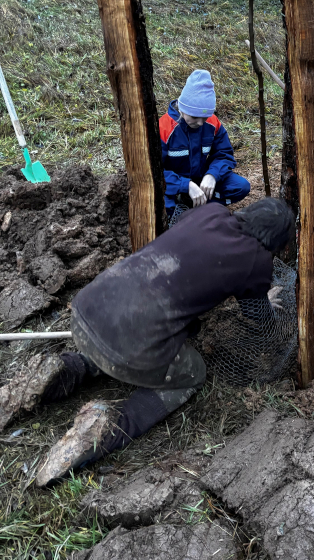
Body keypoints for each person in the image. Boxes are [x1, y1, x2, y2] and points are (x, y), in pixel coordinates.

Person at [0, 198, 294, 486]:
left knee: (114, 342)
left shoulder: (213, 212)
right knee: (192, 374)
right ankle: (110, 428)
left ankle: (65, 367)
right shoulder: (257, 260)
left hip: (89, 309)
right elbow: (258, 315)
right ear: (276, 241)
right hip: (131, 342)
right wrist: (263, 298)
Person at [160, 69, 250, 218]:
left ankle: (199, 210)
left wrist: (212, 175)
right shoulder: (164, 129)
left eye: (205, 117)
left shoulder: (213, 123)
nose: (201, 123)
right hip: (172, 186)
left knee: (240, 187)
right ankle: (180, 211)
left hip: (200, 181)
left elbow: (224, 154)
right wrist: (185, 185)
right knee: (163, 204)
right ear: (183, 107)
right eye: (195, 117)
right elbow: (154, 173)